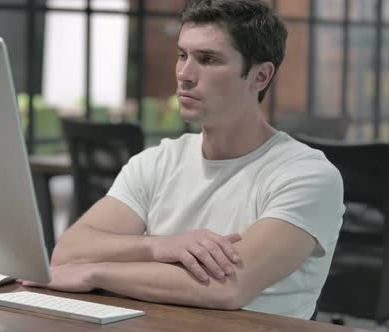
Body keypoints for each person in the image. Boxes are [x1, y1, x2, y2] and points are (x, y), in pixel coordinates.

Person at [22, 0, 344, 320]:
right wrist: (159, 247)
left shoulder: (307, 175)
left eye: (207, 59)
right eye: (182, 55)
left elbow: (228, 287)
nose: (185, 74)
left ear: (260, 76)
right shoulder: (156, 162)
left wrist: (94, 273)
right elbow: (68, 252)